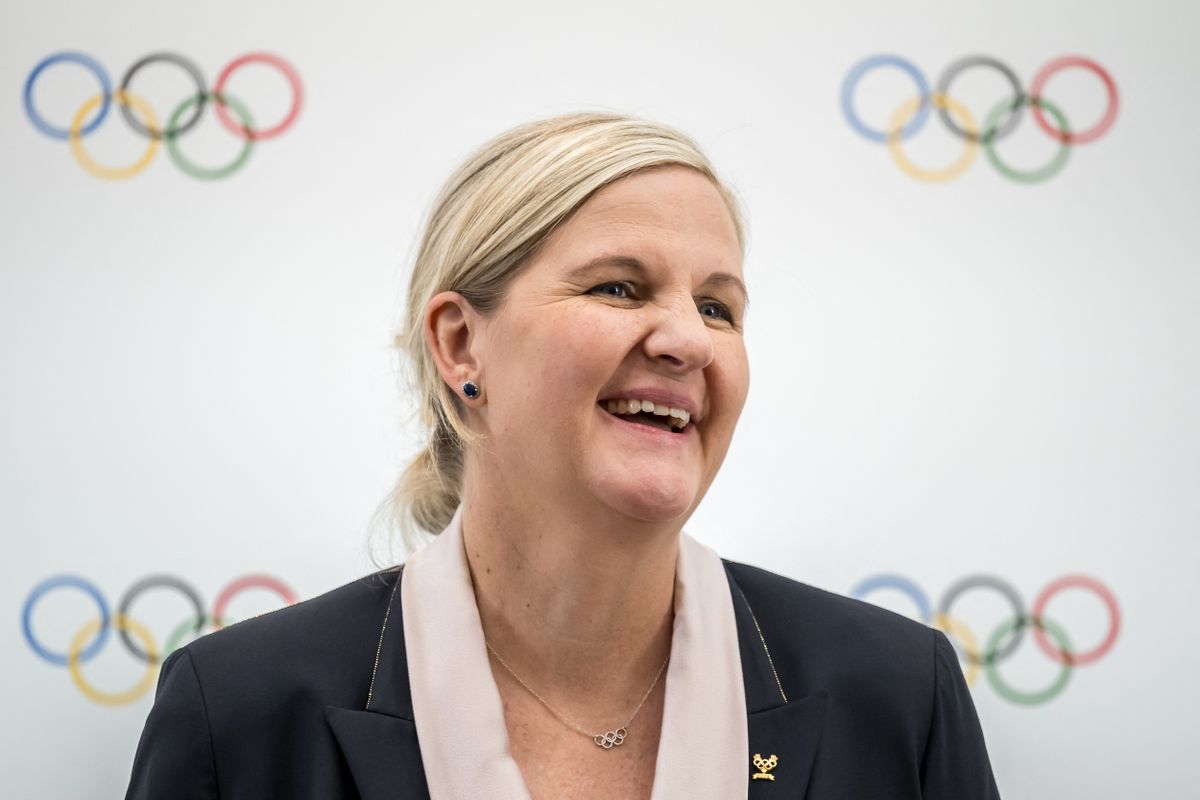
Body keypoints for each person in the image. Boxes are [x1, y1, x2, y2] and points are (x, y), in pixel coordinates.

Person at [125, 112, 1001, 799]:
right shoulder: (236, 711)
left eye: (720, 307)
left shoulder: (896, 693)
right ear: (462, 345)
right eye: (619, 286)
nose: (689, 340)